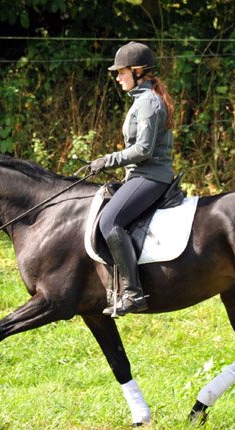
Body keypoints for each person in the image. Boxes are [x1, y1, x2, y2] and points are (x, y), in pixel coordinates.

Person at [89, 41, 175, 316]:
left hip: (150, 176)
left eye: (122, 72)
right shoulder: (143, 99)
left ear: (138, 71)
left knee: (109, 221)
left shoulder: (148, 102)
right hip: (142, 174)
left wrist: (107, 160)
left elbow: (143, 150)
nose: (117, 78)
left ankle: (133, 294)